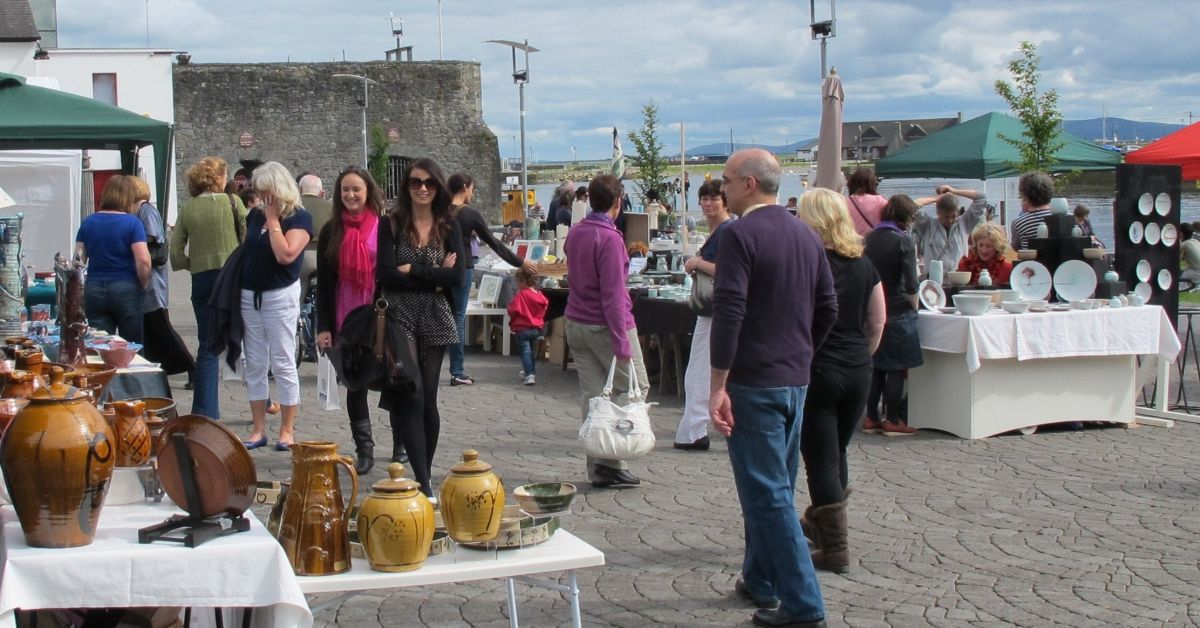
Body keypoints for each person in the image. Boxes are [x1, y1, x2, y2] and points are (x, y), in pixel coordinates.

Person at [709, 149, 835, 627]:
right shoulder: (806, 233)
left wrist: (718, 384)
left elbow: (730, 310)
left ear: (747, 184)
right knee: (776, 486)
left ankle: (803, 606)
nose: (720, 189)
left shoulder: (740, 235)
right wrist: (803, 352)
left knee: (768, 493)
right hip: (794, 378)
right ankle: (760, 579)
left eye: (724, 181)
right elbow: (827, 306)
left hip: (756, 380)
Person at [796, 188, 885, 574]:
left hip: (821, 368)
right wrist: (863, 354)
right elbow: (877, 320)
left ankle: (835, 547)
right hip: (857, 368)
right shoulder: (864, 262)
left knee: (820, 461)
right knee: (839, 453)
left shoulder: (812, 264)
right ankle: (821, 526)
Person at [377, 158, 466, 496]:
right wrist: (433, 275)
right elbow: (384, 273)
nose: (423, 188)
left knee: (428, 397)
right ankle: (426, 483)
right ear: (407, 186)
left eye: (429, 182)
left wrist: (410, 270)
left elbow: (457, 278)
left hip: (435, 314)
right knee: (410, 392)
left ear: (439, 186)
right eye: (416, 182)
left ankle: (423, 475)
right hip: (398, 315)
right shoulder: (392, 224)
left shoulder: (449, 225)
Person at [564, 174, 649, 489]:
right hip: (604, 323)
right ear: (618, 203)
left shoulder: (576, 233)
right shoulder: (609, 238)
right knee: (635, 387)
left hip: (576, 320)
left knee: (594, 395)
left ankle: (599, 463)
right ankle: (612, 459)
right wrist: (622, 343)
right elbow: (613, 295)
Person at [314, 166, 385, 474]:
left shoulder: (384, 227)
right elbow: (325, 284)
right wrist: (323, 326)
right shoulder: (332, 230)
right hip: (345, 313)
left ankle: (400, 449)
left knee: (392, 381)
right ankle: (365, 450)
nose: (351, 195)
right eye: (345, 190)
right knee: (355, 384)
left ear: (368, 191)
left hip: (378, 313)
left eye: (356, 189)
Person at [238, 162, 313, 451]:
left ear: (278, 190)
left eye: (265, 191)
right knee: (254, 363)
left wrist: (273, 220)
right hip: (250, 294)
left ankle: (287, 429)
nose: (260, 197)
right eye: (258, 192)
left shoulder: (299, 218)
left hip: (279, 296)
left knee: (282, 361)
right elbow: (248, 249)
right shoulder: (254, 216)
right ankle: (258, 429)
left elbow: (285, 254)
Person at [172, 157, 247, 420]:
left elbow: (176, 254)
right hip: (231, 277)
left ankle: (204, 412)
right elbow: (247, 237)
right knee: (247, 340)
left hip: (202, 279)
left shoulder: (188, 209)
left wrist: (196, 262)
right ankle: (263, 402)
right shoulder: (233, 202)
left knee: (207, 346)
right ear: (219, 179)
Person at [446, 172, 535, 386]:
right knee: (458, 318)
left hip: (442, 269)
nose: (473, 193)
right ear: (465, 187)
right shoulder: (469, 214)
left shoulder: (440, 211)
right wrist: (520, 262)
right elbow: (495, 244)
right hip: (463, 267)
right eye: (473, 189)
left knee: (446, 316)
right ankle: (457, 370)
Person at [674, 178, 733, 452]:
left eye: (714, 199)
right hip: (715, 308)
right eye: (704, 198)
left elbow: (728, 270)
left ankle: (694, 430)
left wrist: (698, 263)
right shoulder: (718, 230)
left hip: (715, 308)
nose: (708, 203)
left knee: (699, 369)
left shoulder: (728, 230)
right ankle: (695, 428)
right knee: (705, 369)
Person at [863, 195, 922, 437]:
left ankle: (871, 417)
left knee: (876, 366)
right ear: (905, 217)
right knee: (896, 368)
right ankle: (894, 419)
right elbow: (911, 283)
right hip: (898, 309)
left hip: (871, 308)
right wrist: (916, 304)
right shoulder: (904, 241)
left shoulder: (869, 238)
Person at [75, 175, 151, 342]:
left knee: (99, 342)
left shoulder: (88, 222)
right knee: (131, 345)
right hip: (126, 286)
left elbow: (78, 261)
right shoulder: (133, 223)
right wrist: (144, 284)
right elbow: (143, 260)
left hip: (95, 288)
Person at [132, 176, 194, 376]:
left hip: (153, 281)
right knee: (155, 329)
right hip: (150, 279)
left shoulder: (146, 210)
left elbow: (153, 238)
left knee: (162, 327)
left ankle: (191, 366)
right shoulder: (141, 211)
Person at [911, 185, 987, 272]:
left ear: (958, 212)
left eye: (954, 216)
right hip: (934, 281)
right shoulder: (927, 225)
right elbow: (910, 206)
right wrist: (935, 199)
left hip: (960, 280)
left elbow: (981, 198)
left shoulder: (964, 223)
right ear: (938, 213)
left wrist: (954, 191)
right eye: (946, 217)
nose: (950, 220)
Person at [507, 265, 549, 386]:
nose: (517, 284)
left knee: (525, 350)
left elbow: (513, 309)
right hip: (536, 328)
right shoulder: (539, 295)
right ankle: (530, 371)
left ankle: (529, 374)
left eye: (518, 281)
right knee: (532, 351)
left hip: (522, 327)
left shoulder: (522, 295)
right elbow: (544, 306)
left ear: (522, 281)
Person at [1009, 172, 1055, 251]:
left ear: (1026, 195)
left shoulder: (1019, 223)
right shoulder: (1068, 217)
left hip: (1031, 262)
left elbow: (1016, 247)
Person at [845, 167, 888, 236]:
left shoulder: (844, 202)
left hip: (851, 243)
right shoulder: (881, 201)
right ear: (873, 184)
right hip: (875, 241)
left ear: (851, 184)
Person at [1180, 222, 1200, 287]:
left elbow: (1176, 261)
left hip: (1194, 274)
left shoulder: (1184, 244)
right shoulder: (1196, 241)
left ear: (1181, 233)